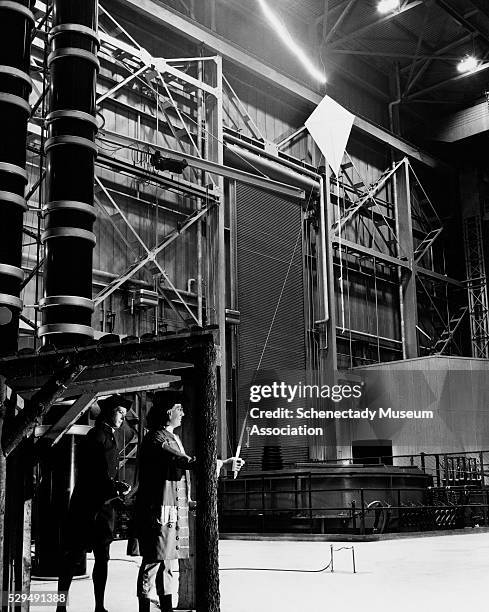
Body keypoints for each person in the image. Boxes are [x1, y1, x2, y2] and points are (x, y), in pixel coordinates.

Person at [134, 391, 244, 612]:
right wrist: (221, 463)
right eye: (179, 408)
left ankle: (165, 607)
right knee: (153, 561)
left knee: (167, 562)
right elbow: (181, 461)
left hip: (170, 507)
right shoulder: (158, 438)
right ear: (168, 412)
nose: (183, 413)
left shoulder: (171, 437)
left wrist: (189, 501)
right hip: (158, 508)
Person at [56, 394, 132, 612]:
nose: (123, 418)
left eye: (125, 414)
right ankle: (74, 607)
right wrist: (114, 486)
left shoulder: (106, 436)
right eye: (120, 412)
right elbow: (94, 475)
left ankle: (88, 606)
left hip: (100, 506)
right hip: (89, 508)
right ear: (108, 413)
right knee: (78, 557)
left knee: (92, 558)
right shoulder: (96, 437)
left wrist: (114, 486)